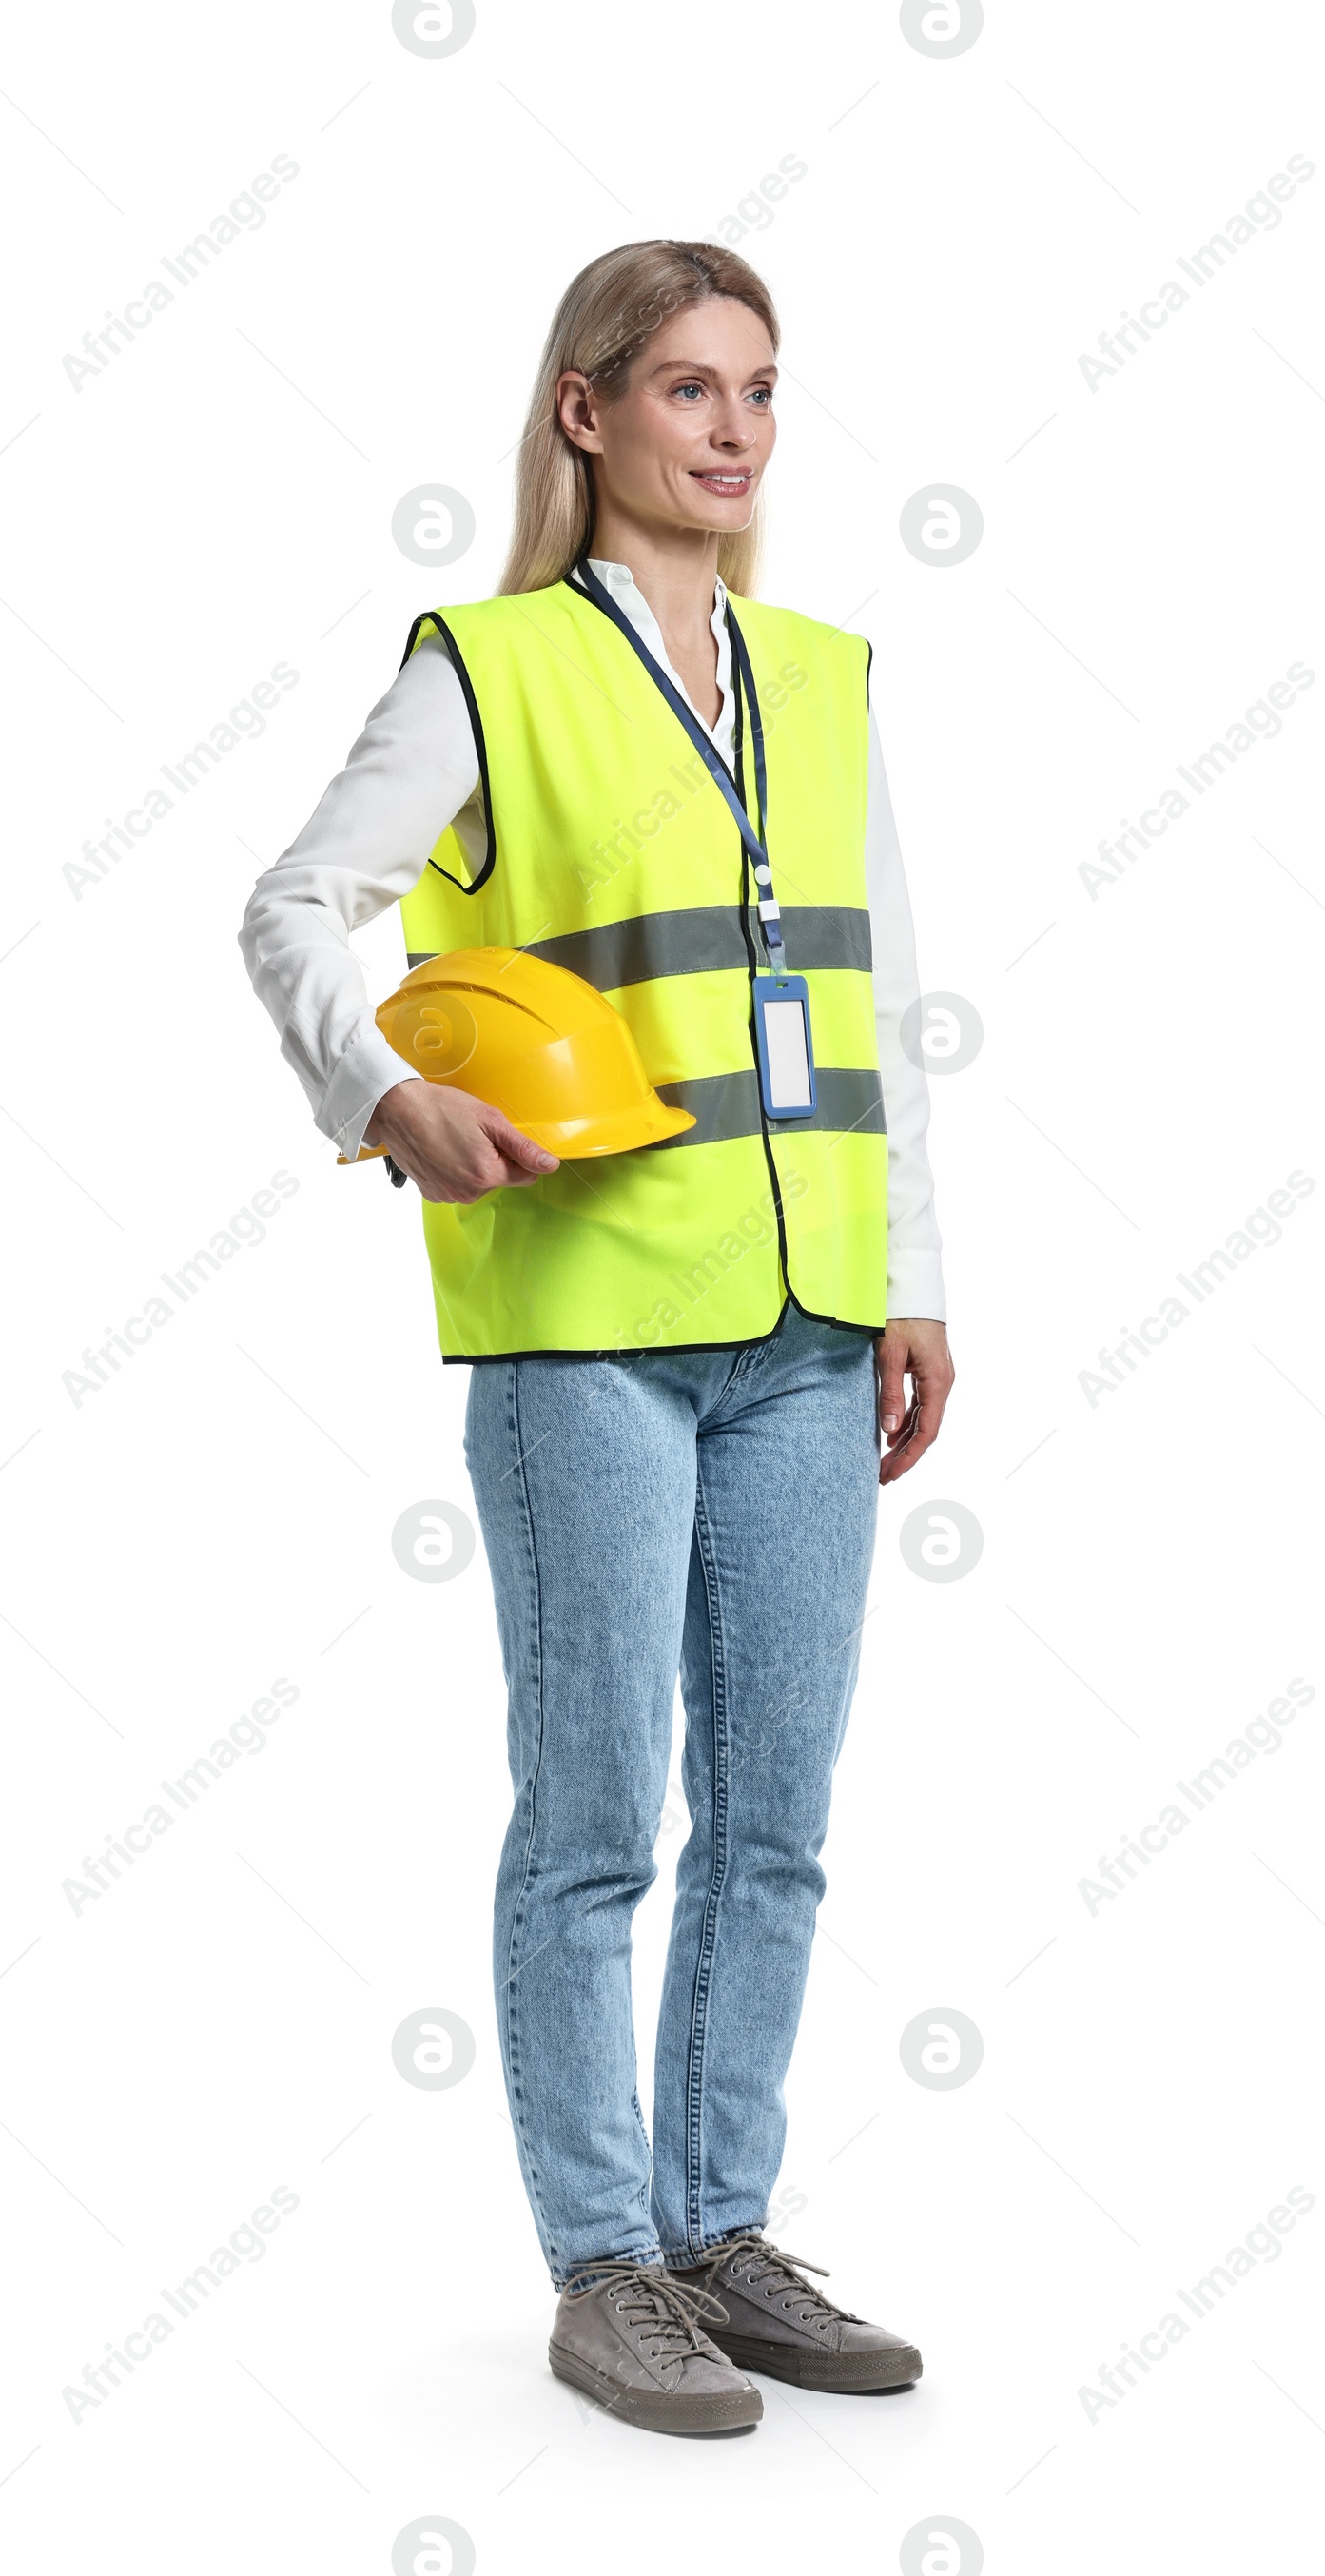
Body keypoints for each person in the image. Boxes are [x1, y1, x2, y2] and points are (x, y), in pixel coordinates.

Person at [239, 240, 953, 2437]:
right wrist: (381, 1093)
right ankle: (598, 2262)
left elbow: (876, 1002)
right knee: (592, 1814)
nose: (730, 429)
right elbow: (291, 905)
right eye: (683, 390)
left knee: (777, 1809)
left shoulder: (821, 676)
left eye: (757, 390)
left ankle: (719, 2227)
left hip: (806, 1321)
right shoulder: (492, 666)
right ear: (584, 414)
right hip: (582, 1330)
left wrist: (909, 1272)